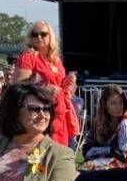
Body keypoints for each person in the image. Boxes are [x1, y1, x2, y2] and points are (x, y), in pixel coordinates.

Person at [14, 20, 80, 149]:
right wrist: (43, 89)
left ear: (50, 37)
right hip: (39, 114)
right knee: (42, 153)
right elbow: (17, 87)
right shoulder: (28, 56)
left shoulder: (56, 61)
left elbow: (60, 87)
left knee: (59, 152)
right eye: (35, 34)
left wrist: (69, 84)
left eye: (43, 34)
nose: (39, 37)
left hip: (59, 113)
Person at [80, 84, 127, 171]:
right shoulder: (97, 122)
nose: (118, 107)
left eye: (120, 102)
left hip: (122, 164)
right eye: (113, 103)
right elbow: (87, 149)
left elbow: (123, 151)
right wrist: (106, 150)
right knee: (84, 169)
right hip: (99, 160)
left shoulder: (125, 123)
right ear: (105, 105)